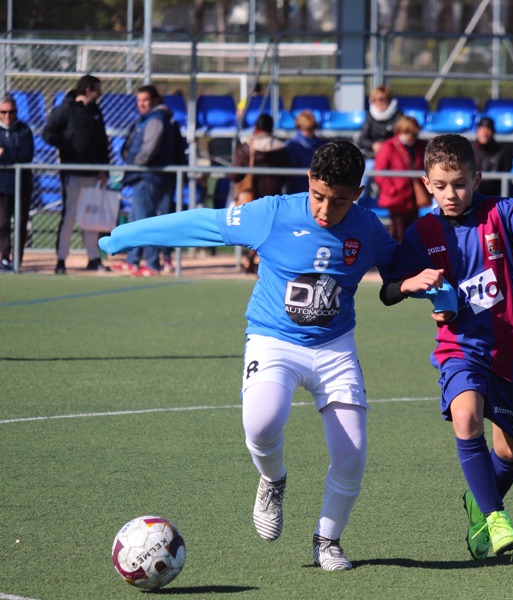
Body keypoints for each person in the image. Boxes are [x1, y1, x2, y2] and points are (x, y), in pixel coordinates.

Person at [99, 140, 429, 572]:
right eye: (319, 196)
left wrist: (434, 287)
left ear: (359, 193)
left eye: (340, 201)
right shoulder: (272, 213)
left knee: (352, 455)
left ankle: (327, 541)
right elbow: (204, 223)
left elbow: (398, 274)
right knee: (261, 422)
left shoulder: (368, 228)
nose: (326, 210)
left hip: (334, 348)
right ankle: (273, 479)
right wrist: (126, 235)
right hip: (274, 340)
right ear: (308, 181)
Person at [381, 133, 513, 561]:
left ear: (477, 178)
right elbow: (388, 291)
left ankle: (476, 503)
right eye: (442, 185)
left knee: (510, 451)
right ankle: (496, 515)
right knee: (465, 418)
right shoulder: (422, 232)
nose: (452, 194)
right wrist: (411, 284)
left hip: (508, 350)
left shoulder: (502, 213)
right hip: (459, 348)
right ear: (427, 183)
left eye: (461, 184)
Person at [108, 85, 181, 277]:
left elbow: (149, 150)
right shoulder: (147, 119)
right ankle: (133, 261)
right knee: (136, 220)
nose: (141, 104)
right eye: (139, 101)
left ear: (155, 100)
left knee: (144, 222)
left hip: (148, 177)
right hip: (143, 177)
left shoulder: (156, 120)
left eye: (145, 101)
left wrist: (136, 164)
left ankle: (152, 264)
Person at [42, 73, 110, 274]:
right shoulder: (66, 109)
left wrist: (104, 169)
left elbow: (102, 142)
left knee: (90, 218)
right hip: (72, 173)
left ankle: (93, 258)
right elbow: (48, 133)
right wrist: (67, 145)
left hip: (92, 173)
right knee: (69, 217)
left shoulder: (95, 111)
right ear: (88, 90)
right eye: (97, 89)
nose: (100, 93)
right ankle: (61, 260)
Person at [231, 113, 291, 273]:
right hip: (273, 198)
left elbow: (234, 175)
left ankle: (249, 259)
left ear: (257, 127)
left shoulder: (246, 148)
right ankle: (253, 259)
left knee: (255, 230)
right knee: (269, 230)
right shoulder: (281, 148)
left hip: (250, 197)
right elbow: (287, 174)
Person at [373, 115, 427, 242]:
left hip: (413, 198)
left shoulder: (419, 147)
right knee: (398, 234)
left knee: (413, 233)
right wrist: (392, 190)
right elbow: (380, 172)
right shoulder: (389, 147)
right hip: (397, 199)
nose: (411, 137)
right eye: (408, 133)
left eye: (414, 134)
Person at [0, 95, 34, 273]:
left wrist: (4, 154)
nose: (7, 116)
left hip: (22, 184)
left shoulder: (24, 131)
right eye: (3, 112)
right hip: (2, 186)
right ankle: (4, 259)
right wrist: (12, 155)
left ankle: (17, 260)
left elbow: (25, 156)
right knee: (3, 223)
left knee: (21, 224)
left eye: (11, 112)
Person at [285, 110, 326, 194]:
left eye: (313, 128)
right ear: (299, 127)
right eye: (307, 129)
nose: (311, 132)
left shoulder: (322, 145)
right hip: (296, 192)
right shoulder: (291, 146)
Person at [472, 116, 513, 197]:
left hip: (494, 196)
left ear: (493, 132)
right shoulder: (469, 149)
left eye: (488, 129)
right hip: (472, 194)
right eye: (481, 129)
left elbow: (506, 182)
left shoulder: (503, 153)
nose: (484, 133)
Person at [357, 85, 400, 157]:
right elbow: (362, 139)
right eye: (374, 99)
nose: (378, 102)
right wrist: (373, 145)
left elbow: (401, 137)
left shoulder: (398, 116)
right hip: (373, 154)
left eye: (381, 99)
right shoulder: (369, 116)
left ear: (388, 99)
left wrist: (386, 146)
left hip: (393, 154)